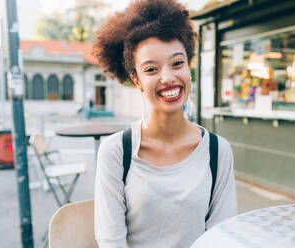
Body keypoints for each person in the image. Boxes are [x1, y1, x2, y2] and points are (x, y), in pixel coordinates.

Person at [92, 1, 237, 247]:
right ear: (136, 81)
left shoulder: (218, 151)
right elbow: (110, 242)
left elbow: (222, 237)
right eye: (151, 69)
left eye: (177, 63)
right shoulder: (116, 152)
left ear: (189, 67)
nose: (168, 77)